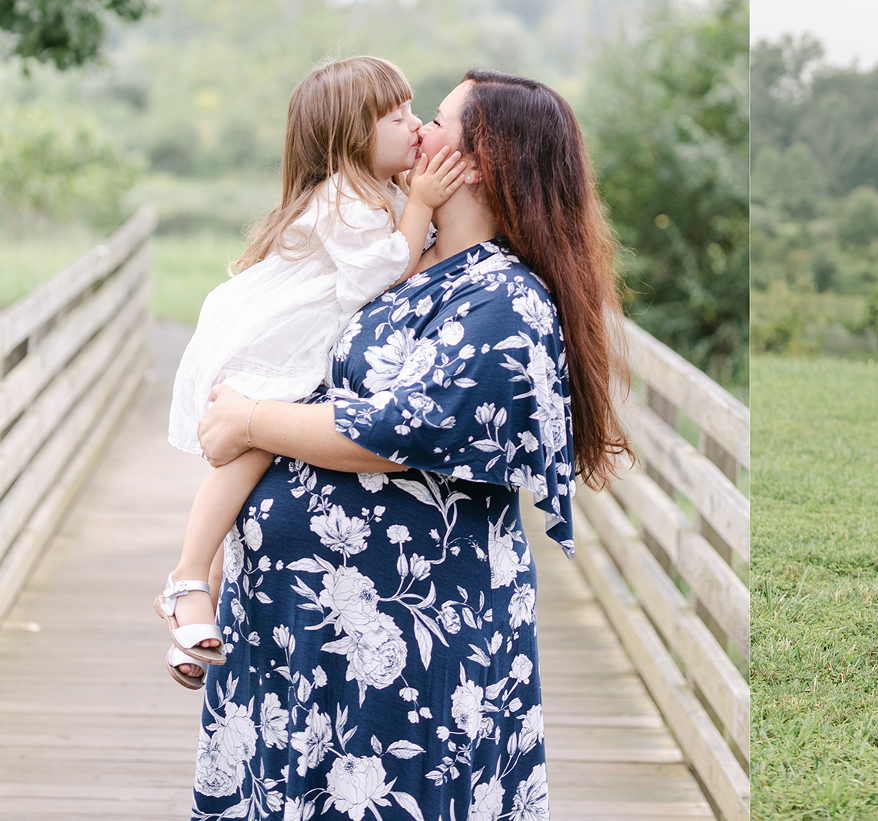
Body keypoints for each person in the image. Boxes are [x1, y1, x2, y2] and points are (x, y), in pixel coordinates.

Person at [190, 69, 631, 820]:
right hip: (302, 622)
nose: (418, 128)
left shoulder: (504, 297)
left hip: (409, 635)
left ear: (482, 159)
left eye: (438, 120)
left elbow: (400, 430)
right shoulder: (400, 255)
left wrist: (250, 420)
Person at [159, 56, 465, 688]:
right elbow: (386, 275)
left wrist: (415, 201)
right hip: (276, 344)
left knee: (256, 457)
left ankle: (200, 602)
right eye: (397, 115)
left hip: (297, 341)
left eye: (415, 111)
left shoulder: (374, 192)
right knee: (244, 453)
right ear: (353, 135)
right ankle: (188, 577)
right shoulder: (345, 199)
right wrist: (425, 204)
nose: (414, 125)